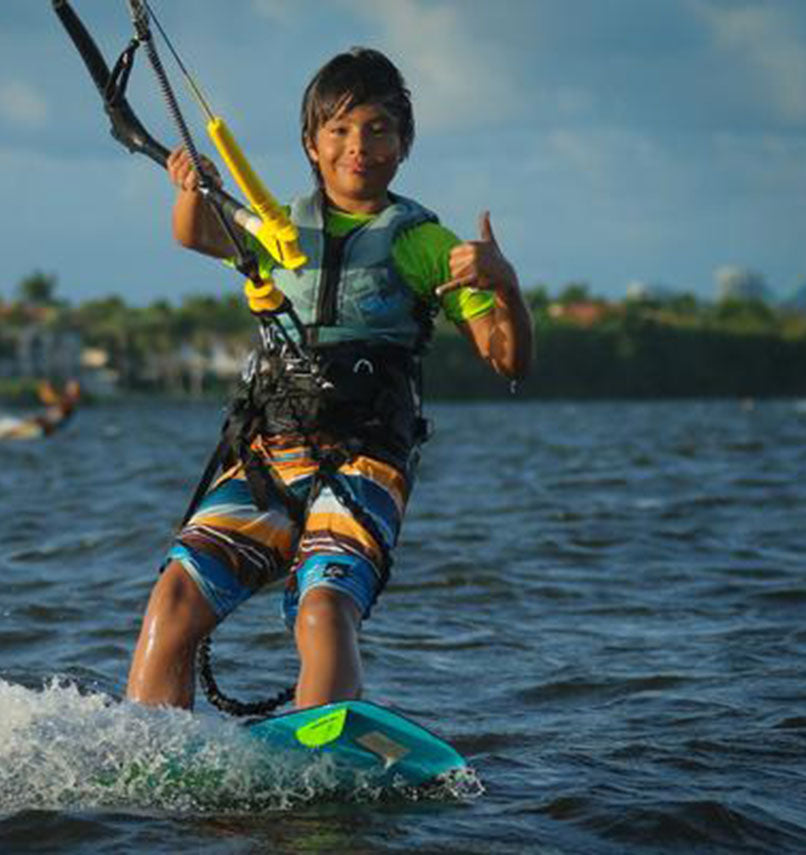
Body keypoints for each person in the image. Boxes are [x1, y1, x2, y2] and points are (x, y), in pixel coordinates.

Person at [125, 47, 533, 711]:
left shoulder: (425, 244)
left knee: (323, 607)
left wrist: (505, 285)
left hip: (365, 458)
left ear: (404, 144)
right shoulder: (276, 226)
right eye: (339, 130)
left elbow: (509, 359)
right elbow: (196, 234)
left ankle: (320, 750)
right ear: (311, 145)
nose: (358, 147)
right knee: (175, 596)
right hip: (269, 452)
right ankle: (148, 747)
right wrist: (189, 188)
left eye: (378, 129)